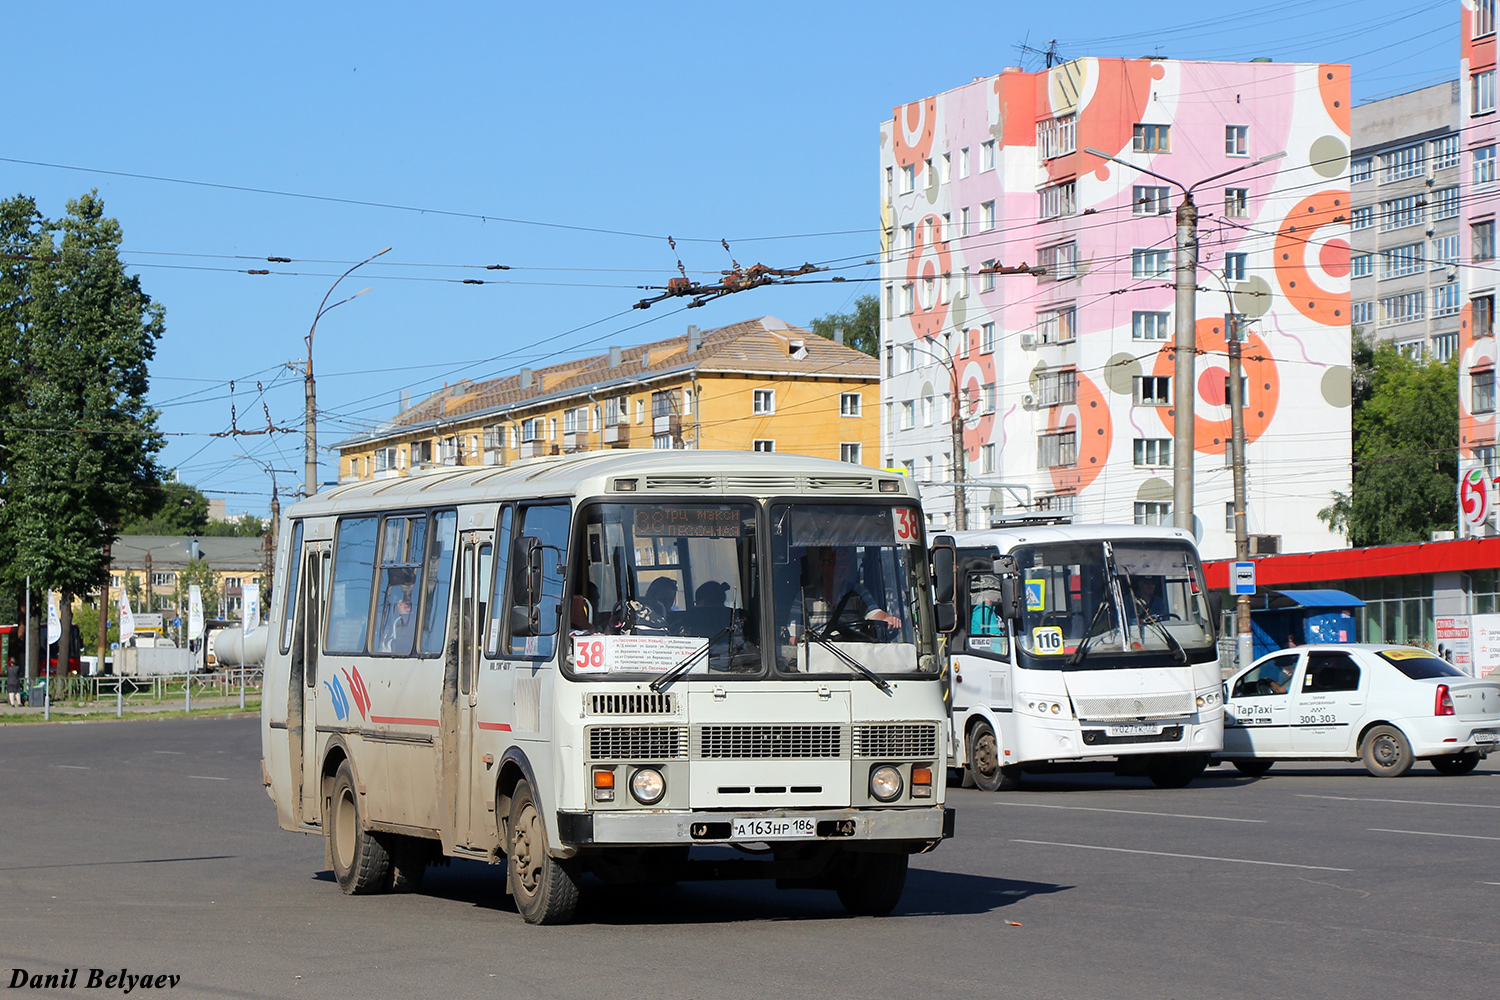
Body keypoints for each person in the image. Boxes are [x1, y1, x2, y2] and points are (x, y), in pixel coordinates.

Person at [5, 623, 23, 708]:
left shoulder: (8, 669)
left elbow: (6, 672)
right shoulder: (17, 668)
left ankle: (12, 704)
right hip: (16, 681)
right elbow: (19, 673)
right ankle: (19, 703)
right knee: (17, 692)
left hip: (9, 681)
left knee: (11, 693)